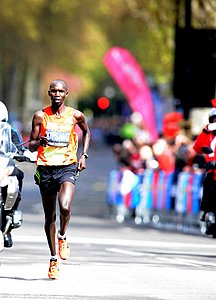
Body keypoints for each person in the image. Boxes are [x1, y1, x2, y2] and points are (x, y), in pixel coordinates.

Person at [29, 79, 90, 279]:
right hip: (46, 168)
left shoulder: (76, 115)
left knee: (65, 207)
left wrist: (83, 155)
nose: (57, 94)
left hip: (67, 166)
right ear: (49, 93)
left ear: (66, 94)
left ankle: (62, 236)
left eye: (61, 91)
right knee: (50, 217)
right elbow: (30, 144)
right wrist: (40, 142)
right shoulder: (40, 116)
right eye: (53, 90)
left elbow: (87, 133)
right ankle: (53, 259)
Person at [0, 101, 25, 248]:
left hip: (4, 166)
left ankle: (11, 212)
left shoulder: (11, 132)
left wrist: (23, 154)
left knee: (18, 175)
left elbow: (20, 148)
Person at [193, 99, 216, 226]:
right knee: (208, 184)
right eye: (214, 119)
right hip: (213, 171)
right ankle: (207, 211)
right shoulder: (209, 134)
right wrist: (206, 131)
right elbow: (197, 147)